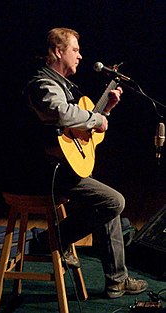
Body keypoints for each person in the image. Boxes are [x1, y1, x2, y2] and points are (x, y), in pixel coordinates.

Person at [26, 27, 148, 299]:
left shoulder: (64, 86)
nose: (80, 56)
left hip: (60, 169)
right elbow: (60, 112)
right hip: (39, 175)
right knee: (114, 202)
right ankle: (50, 240)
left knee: (106, 203)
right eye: (75, 50)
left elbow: (80, 132)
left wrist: (105, 111)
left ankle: (117, 280)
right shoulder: (41, 84)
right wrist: (96, 119)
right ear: (59, 51)